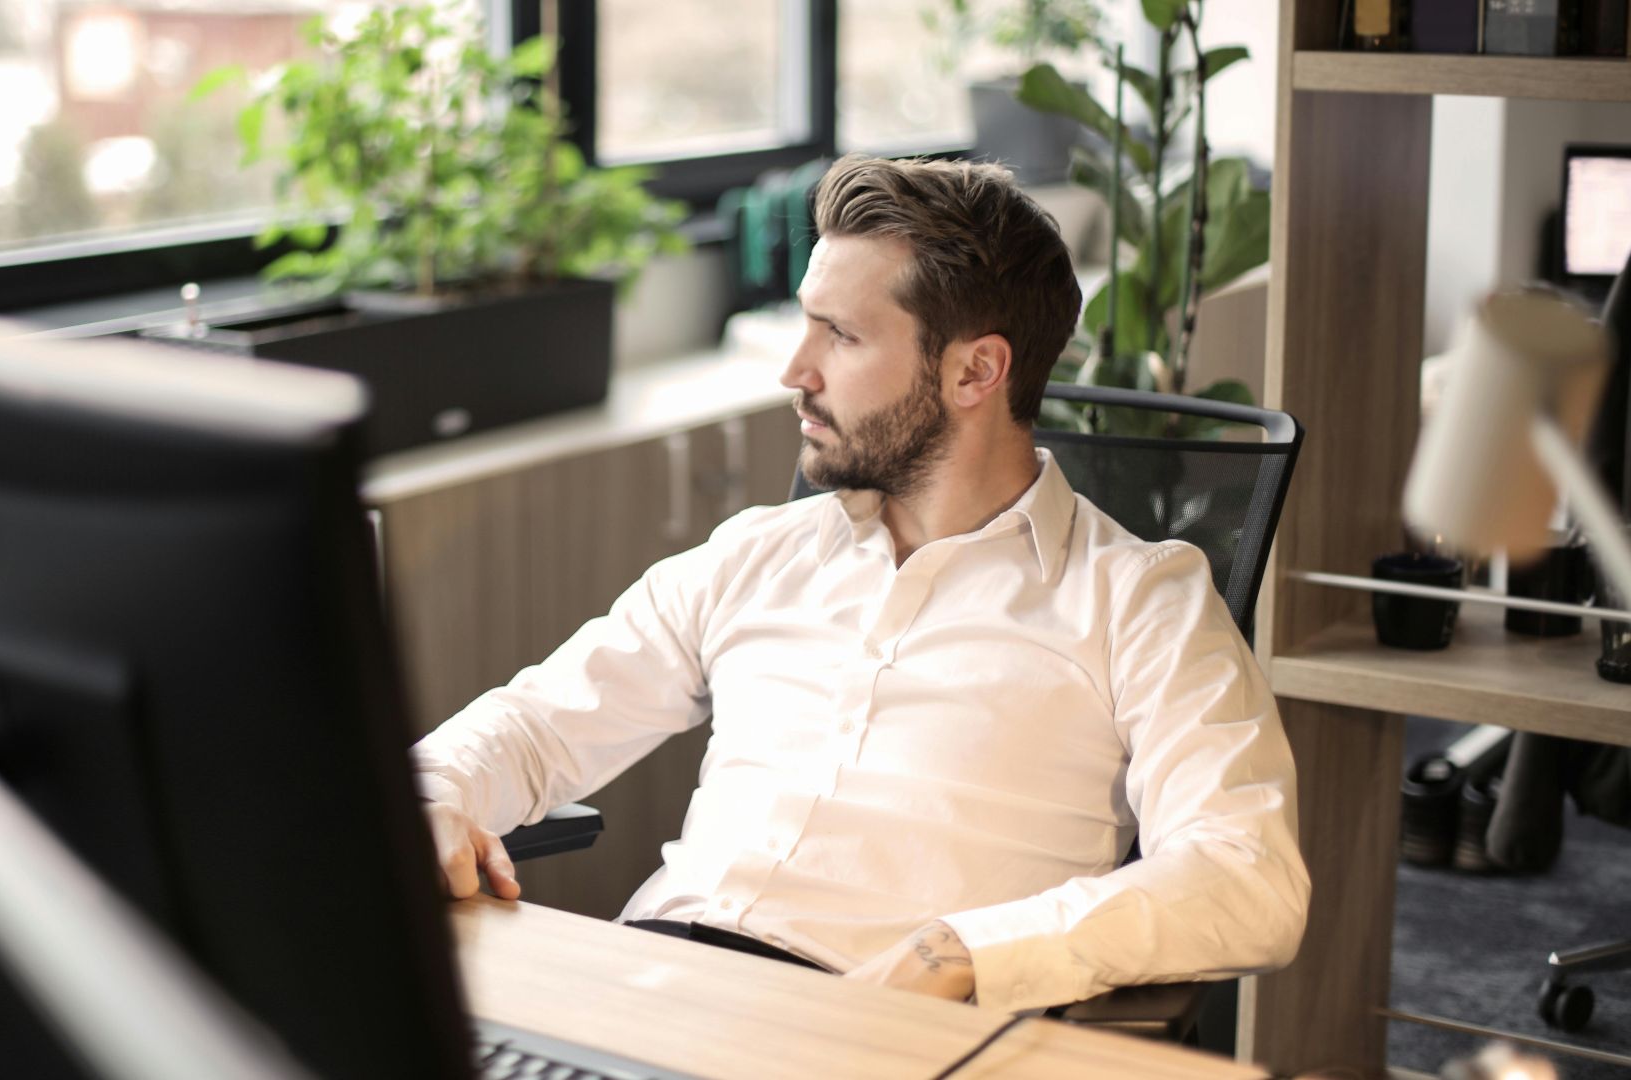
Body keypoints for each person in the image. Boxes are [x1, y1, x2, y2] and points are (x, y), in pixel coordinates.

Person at [412, 153, 1310, 1014]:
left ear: (975, 370)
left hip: (867, 1028)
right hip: (649, 992)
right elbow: (534, 726)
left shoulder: (1140, 601)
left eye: (839, 335)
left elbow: (1245, 873)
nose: (795, 372)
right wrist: (438, 794)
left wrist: (960, 953)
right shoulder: (758, 553)